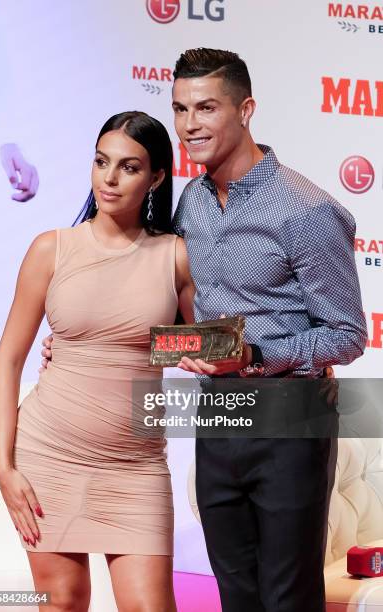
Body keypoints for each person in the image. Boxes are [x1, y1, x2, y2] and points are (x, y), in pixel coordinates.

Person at [169, 48, 368, 612]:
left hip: (290, 417)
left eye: (206, 107)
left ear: (246, 109)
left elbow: (348, 334)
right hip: (219, 416)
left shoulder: (305, 210)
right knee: (235, 595)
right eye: (181, 109)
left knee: (286, 598)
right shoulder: (192, 202)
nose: (190, 125)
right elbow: (185, 298)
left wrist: (256, 355)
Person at [0, 111, 195, 612]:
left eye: (129, 167)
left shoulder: (175, 255)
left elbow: (204, 350)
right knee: (63, 600)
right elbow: (9, 359)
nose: (109, 177)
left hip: (136, 467)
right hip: (49, 456)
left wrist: (127, 349)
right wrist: (4, 465)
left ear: (157, 177)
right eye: (102, 162)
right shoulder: (51, 249)